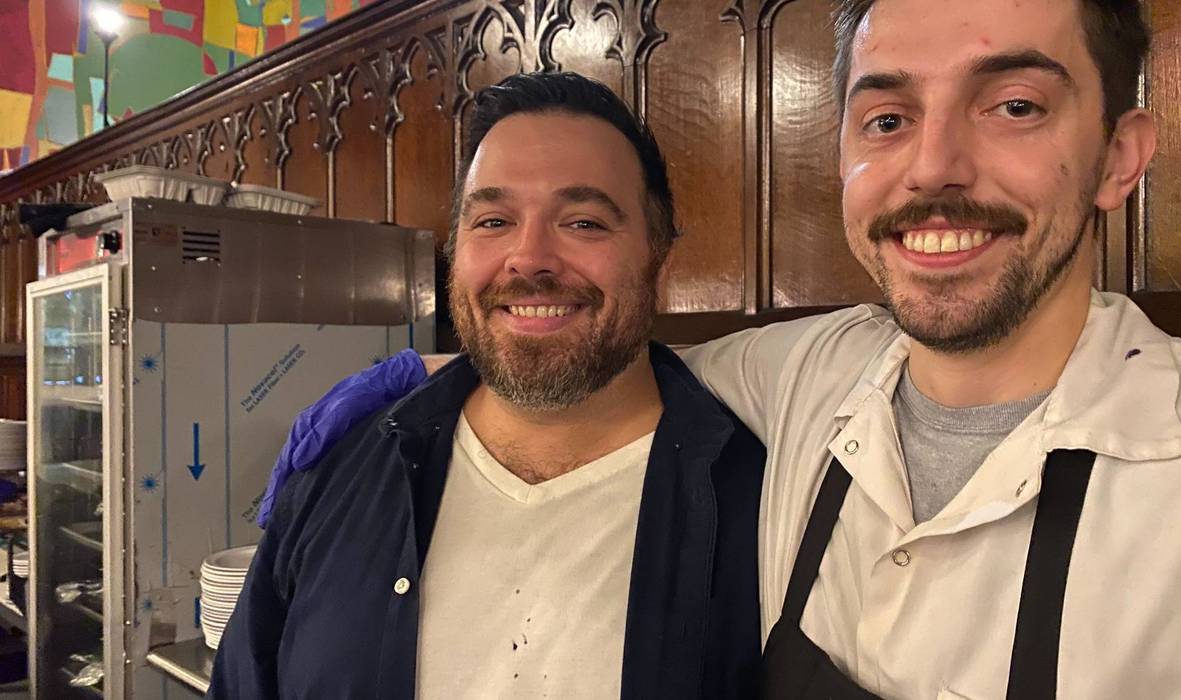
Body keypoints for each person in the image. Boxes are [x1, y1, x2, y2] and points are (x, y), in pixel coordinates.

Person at [259, 0, 1181, 697]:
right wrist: (422, 381)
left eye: (1015, 105)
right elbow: (589, 357)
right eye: (890, 118)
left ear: (1121, 155)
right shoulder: (806, 381)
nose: (936, 166)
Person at [206, 72, 766, 700]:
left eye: (582, 222)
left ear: (660, 255)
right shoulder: (343, 466)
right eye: (493, 220)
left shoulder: (764, 500)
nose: (528, 259)